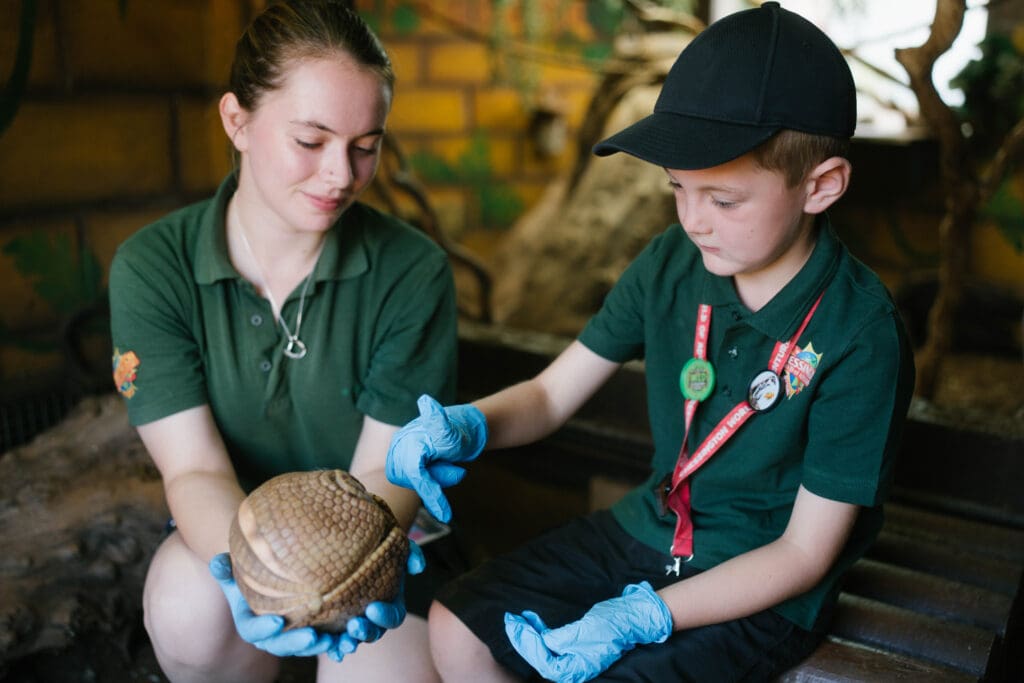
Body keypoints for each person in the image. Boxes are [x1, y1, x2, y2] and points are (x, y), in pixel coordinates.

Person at [386, 3, 916, 681]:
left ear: (821, 186)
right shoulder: (671, 263)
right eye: (677, 189)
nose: (694, 220)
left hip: (759, 578)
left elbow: (804, 555)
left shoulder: (859, 333)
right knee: (460, 628)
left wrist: (648, 613)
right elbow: (551, 395)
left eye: (723, 200)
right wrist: (469, 426)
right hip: (648, 529)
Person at [108, 2, 456, 681]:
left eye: (366, 145)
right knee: (187, 607)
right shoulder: (154, 266)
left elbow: (386, 473)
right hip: (230, 531)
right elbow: (196, 470)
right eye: (311, 140)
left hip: (374, 538)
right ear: (237, 121)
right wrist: (258, 582)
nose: (340, 175)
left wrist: (340, 584)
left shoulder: (412, 270)